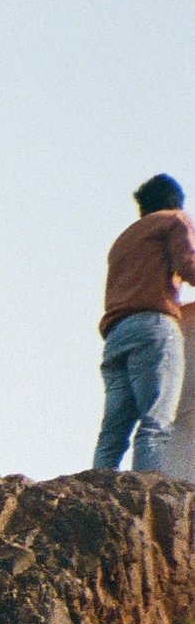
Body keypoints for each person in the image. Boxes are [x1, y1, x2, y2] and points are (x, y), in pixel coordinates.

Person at [93, 173, 195, 475]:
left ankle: (97, 486)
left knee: (113, 432)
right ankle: (148, 495)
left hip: (117, 334)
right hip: (154, 327)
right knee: (156, 422)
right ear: (174, 201)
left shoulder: (124, 239)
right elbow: (187, 266)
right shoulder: (174, 220)